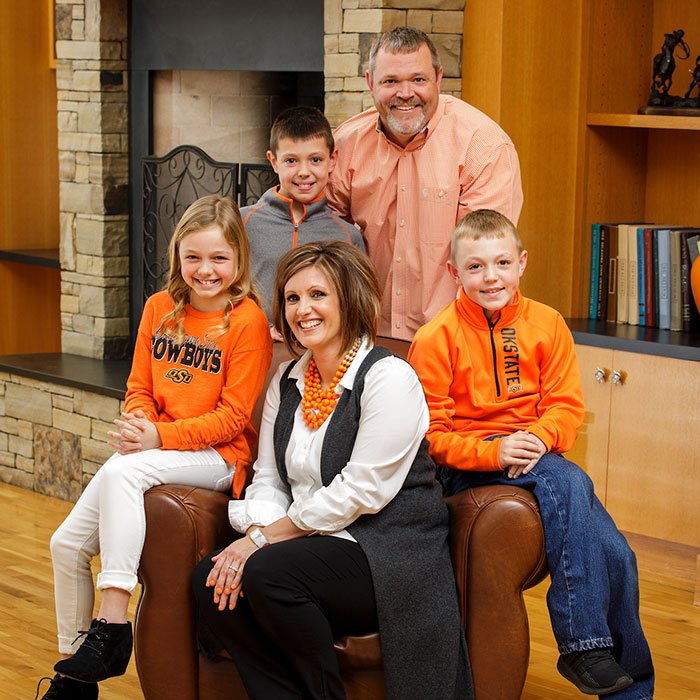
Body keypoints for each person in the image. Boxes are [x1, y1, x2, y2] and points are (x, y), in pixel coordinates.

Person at [191, 240, 473, 700]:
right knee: (211, 584)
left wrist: (261, 541)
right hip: (307, 544)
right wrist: (261, 533)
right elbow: (269, 478)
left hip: (384, 552)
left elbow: (361, 491)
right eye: (293, 297)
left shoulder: (388, 377)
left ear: (349, 298)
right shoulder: (287, 380)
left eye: (318, 295)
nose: (304, 309)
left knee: (267, 573)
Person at [408, 209, 654, 699]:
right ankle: (583, 644)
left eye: (501, 262)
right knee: (571, 481)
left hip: (539, 455)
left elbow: (566, 407)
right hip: (471, 468)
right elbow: (429, 438)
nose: (490, 276)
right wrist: (495, 452)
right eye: (475, 267)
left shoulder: (548, 323)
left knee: (618, 556)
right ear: (454, 271)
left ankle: (632, 694)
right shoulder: (435, 338)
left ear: (521, 263)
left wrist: (540, 439)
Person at [36, 195, 273, 700]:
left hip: (218, 458)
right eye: (193, 257)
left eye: (218, 259)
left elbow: (233, 418)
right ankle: (74, 679)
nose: (205, 270)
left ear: (238, 261)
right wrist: (138, 423)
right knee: (65, 545)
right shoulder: (159, 308)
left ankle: (113, 620)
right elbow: (139, 386)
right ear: (177, 257)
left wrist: (156, 439)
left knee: (126, 472)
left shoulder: (248, 321)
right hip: (156, 448)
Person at [326, 26, 523, 340]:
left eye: (418, 80)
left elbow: (486, 265)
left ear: (438, 79)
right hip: (363, 338)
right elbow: (320, 239)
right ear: (370, 83)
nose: (406, 93)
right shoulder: (345, 146)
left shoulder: (483, 146)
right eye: (391, 81)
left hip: (457, 340)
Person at [240, 106, 365, 327]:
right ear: (273, 161)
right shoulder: (242, 223)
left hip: (320, 355)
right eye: (291, 161)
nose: (304, 171)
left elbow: (356, 307)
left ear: (332, 160)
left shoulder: (348, 236)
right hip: (253, 347)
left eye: (315, 160)